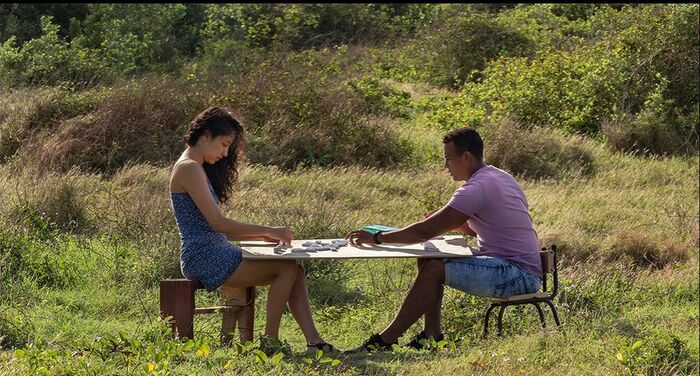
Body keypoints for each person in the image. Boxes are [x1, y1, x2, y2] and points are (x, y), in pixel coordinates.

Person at [345, 126, 542, 353]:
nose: (445, 166)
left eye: (448, 159)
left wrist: (377, 237)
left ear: (466, 157)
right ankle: (432, 335)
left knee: (434, 268)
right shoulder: (500, 177)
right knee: (429, 259)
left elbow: (423, 232)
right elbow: (490, 228)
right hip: (517, 267)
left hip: (518, 274)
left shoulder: (477, 187)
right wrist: (453, 222)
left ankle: (384, 341)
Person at [169, 106, 338, 354]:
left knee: (296, 271)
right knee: (287, 268)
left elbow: (218, 229)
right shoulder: (189, 168)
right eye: (224, 145)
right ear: (205, 137)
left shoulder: (195, 167)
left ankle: (314, 341)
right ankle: (270, 342)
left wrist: (265, 235)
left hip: (213, 251)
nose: (225, 153)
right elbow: (218, 224)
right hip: (203, 257)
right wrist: (269, 230)